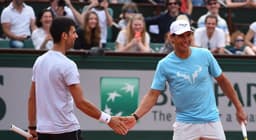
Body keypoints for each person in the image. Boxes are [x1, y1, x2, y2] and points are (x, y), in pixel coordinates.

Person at [123, 20, 247, 140]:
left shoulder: (205, 55)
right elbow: (153, 95)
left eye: (188, 35)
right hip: (185, 125)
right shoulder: (164, 64)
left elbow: (223, 81)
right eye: (181, 36)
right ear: (172, 38)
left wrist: (239, 109)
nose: (186, 39)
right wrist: (135, 116)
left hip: (211, 122)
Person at [27, 17, 128, 140]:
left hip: (44, 131)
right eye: (73, 32)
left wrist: (32, 127)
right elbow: (80, 103)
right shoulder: (68, 65)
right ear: (64, 35)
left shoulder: (39, 61)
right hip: (66, 132)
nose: (76, 36)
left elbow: (32, 98)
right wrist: (109, 119)